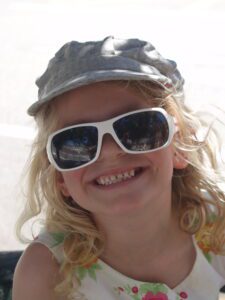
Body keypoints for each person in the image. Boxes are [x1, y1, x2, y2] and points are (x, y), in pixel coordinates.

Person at [12, 36, 225, 300]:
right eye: (78, 141)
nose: (111, 152)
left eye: (137, 127)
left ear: (179, 145)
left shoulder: (217, 225)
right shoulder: (46, 272)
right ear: (60, 178)